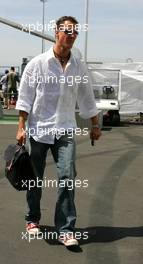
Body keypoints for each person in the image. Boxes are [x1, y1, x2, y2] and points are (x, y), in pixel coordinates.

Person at [16, 16, 101, 247]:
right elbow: (25, 98)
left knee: (67, 177)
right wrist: (21, 127)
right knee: (35, 178)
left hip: (65, 129)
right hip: (39, 129)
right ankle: (32, 219)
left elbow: (87, 96)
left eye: (75, 32)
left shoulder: (78, 66)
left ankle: (65, 228)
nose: (71, 35)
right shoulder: (38, 64)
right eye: (67, 31)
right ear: (56, 33)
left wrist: (94, 124)